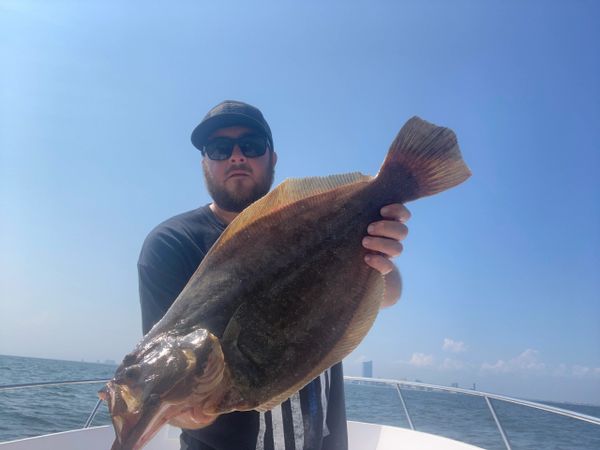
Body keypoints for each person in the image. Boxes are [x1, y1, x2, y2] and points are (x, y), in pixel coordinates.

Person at [138, 100, 411, 450]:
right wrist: (181, 412)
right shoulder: (172, 244)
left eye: (250, 145)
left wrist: (383, 259)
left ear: (272, 158)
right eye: (219, 149)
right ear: (205, 163)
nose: (236, 156)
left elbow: (390, 294)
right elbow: (164, 368)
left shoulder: (318, 224)